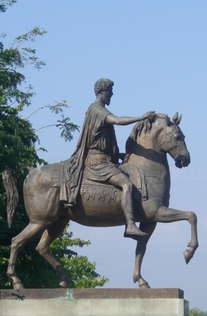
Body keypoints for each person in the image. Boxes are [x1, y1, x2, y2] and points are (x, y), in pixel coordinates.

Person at [60, 78, 155, 238]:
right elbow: (117, 120)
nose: (112, 94)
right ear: (102, 92)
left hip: (104, 157)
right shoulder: (97, 110)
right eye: (110, 91)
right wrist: (141, 117)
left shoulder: (97, 109)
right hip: (97, 162)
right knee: (127, 185)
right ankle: (130, 224)